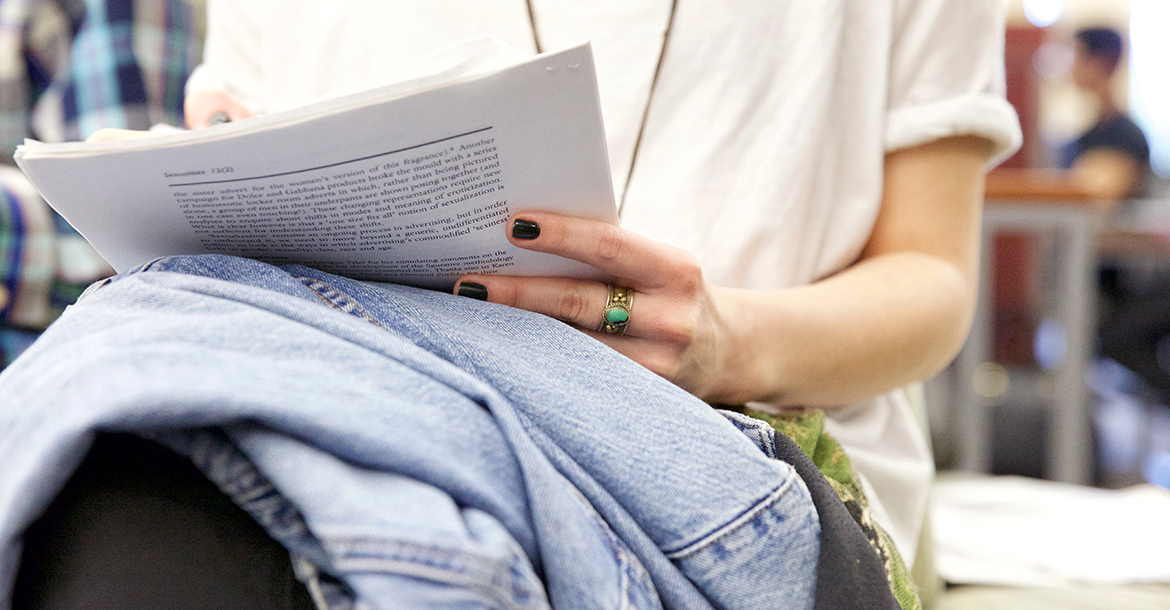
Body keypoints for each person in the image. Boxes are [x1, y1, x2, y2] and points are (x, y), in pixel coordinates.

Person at [14, 0, 1022, 605]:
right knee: (135, 446)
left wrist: (725, 342)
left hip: (723, 429)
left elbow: (933, 282)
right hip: (351, 381)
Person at [1060, 27, 1150, 201]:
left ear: (1101, 62)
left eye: (1077, 56)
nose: (1071, 67)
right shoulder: (1088, 134)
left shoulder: (1127, 136)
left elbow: (1096, 199)